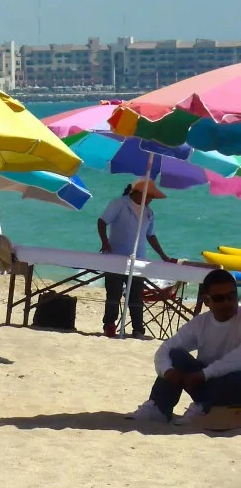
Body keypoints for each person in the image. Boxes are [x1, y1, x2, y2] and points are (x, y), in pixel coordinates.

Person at [128, 269, 241, 423]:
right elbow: (165, 349)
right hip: (205, 383)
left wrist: (204, 374)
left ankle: (203, 406)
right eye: (219, 298)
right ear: (206, 301)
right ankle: (159, 408)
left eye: (232, 296)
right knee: (175, 355)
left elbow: (237, 359)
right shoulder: (200, 323)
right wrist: (168, 372)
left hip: (233, 385)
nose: (227, 302)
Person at [97, 178, 174, 338]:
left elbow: (150, 236)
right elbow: (102, 222)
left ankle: (138, 329)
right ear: (139, 193)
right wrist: (105, 242)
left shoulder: (148, 212)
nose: (151, 199)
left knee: (136, 296)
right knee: (114, 294)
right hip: (115, 256)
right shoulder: (119, 203)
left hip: (138, 259)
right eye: (150, 196)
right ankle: (110, 325)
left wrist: (163, 256)